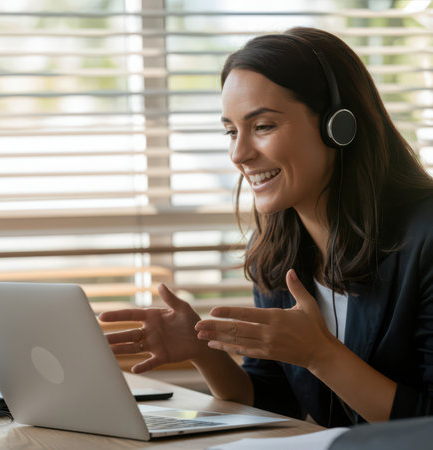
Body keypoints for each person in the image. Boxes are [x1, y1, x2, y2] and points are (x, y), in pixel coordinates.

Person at [99, 27, 433, 427]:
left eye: (263, 126)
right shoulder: (278, 248)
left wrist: (321, 355)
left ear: (337, 126)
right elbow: (276, 400)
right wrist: (203, 350)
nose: (239, 154)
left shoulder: (425, 237)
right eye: (231, 131)